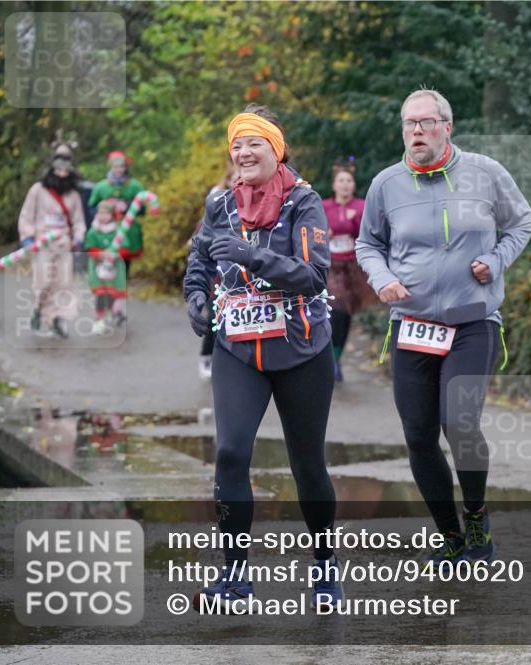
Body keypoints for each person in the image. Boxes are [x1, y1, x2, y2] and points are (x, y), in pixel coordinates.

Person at [355, 88, 531, 566]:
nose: (416, 132)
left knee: (459, 422)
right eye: (409, 124)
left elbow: (522, 222)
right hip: (412, 324)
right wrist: (383, 278)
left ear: (446, 127)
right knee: (418, 433)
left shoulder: (485, 172)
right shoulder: (386, 184)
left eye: (426, 123)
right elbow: (367, 244)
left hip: (472, 320)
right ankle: (451, 534)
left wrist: (496, 260)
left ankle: (476, 515)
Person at [183, 105, 342, 609]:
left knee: (307, 465)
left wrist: (250, 255)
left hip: (300, 348)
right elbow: (199, 259)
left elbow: (313, 274)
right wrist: (194, 297)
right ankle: (234, 576)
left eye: (254, 144)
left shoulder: (304, 202)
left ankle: (324, 569)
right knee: (230, 453)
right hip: (237, 347)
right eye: (236, 145)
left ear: (276, 150)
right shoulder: (220, 204)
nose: (243, 153)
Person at [18, 153, 87, 339]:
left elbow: (78, 220)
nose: (62, 171)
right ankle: (38, 311)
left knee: (63, 284)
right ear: (52, 168)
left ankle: (57, 320)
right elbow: (26, 215)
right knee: (43, 283)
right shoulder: (38, 190)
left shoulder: (73, 194)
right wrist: (27, 237)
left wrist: (78, 237)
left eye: (66, 167)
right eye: (59, 167)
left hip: (64, 245)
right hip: (42, 244)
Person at [321, 159, 367, 381]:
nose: (346, 185)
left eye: (349, 181)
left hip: (353, 267)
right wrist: (323, 233)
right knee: (335, 310)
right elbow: (311, 232)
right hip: (330, 266)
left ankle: (335, 358)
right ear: (334, 185)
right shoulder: (324, 206)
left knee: (346, 314)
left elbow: (368, 235)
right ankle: (328, 360)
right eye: (341, 181)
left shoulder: (361, 206)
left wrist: (354, 221)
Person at [193, 160, 237, 380]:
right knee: (215, 314)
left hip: (243, 272)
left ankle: (232, 361)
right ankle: (206, 355)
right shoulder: (218, 197)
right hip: (218, 270)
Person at [89, 151, 145, 274]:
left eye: (122, 166)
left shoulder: (135, 186)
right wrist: (103, 214)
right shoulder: (101, 187)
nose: (119, 170)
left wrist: (128, 206)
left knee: (123, 259)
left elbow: (142, 210)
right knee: (105, 258)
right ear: (110, 167)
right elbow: (91, 208)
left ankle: (122, 282)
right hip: (106, 231)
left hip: (127, 229)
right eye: (116, 167)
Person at [83, 199, 128, 333]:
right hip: (98, 267)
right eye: (100, 213)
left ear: (112, 215)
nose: (102, 216)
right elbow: (90, 248)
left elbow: (125, 247)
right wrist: (101, 254)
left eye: (106, 213)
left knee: (117, 293)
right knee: (101, 294)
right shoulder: (93, 231)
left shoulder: (119, 230)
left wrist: (116, 254)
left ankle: (116, 313)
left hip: (115, 267)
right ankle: (99, 319)